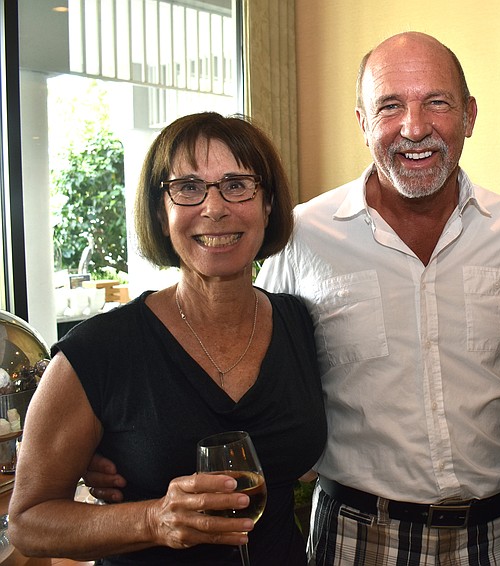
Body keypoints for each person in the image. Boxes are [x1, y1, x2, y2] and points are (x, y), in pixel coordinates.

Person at [254, 32, 500, 565]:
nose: (414, 128)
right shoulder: (303, 236)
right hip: (355, 536)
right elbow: (253, 369)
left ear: (469, 115)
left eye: (436, 102)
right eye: (390, 106)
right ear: (363, 122)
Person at [9, 112, 327, 565]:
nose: (215, 208)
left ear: (268, 204)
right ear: (162, 212)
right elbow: (29, 522)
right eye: (189, 188)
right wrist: (153, 519)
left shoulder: (300, 323)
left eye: (237, 185)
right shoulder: (99, 351)